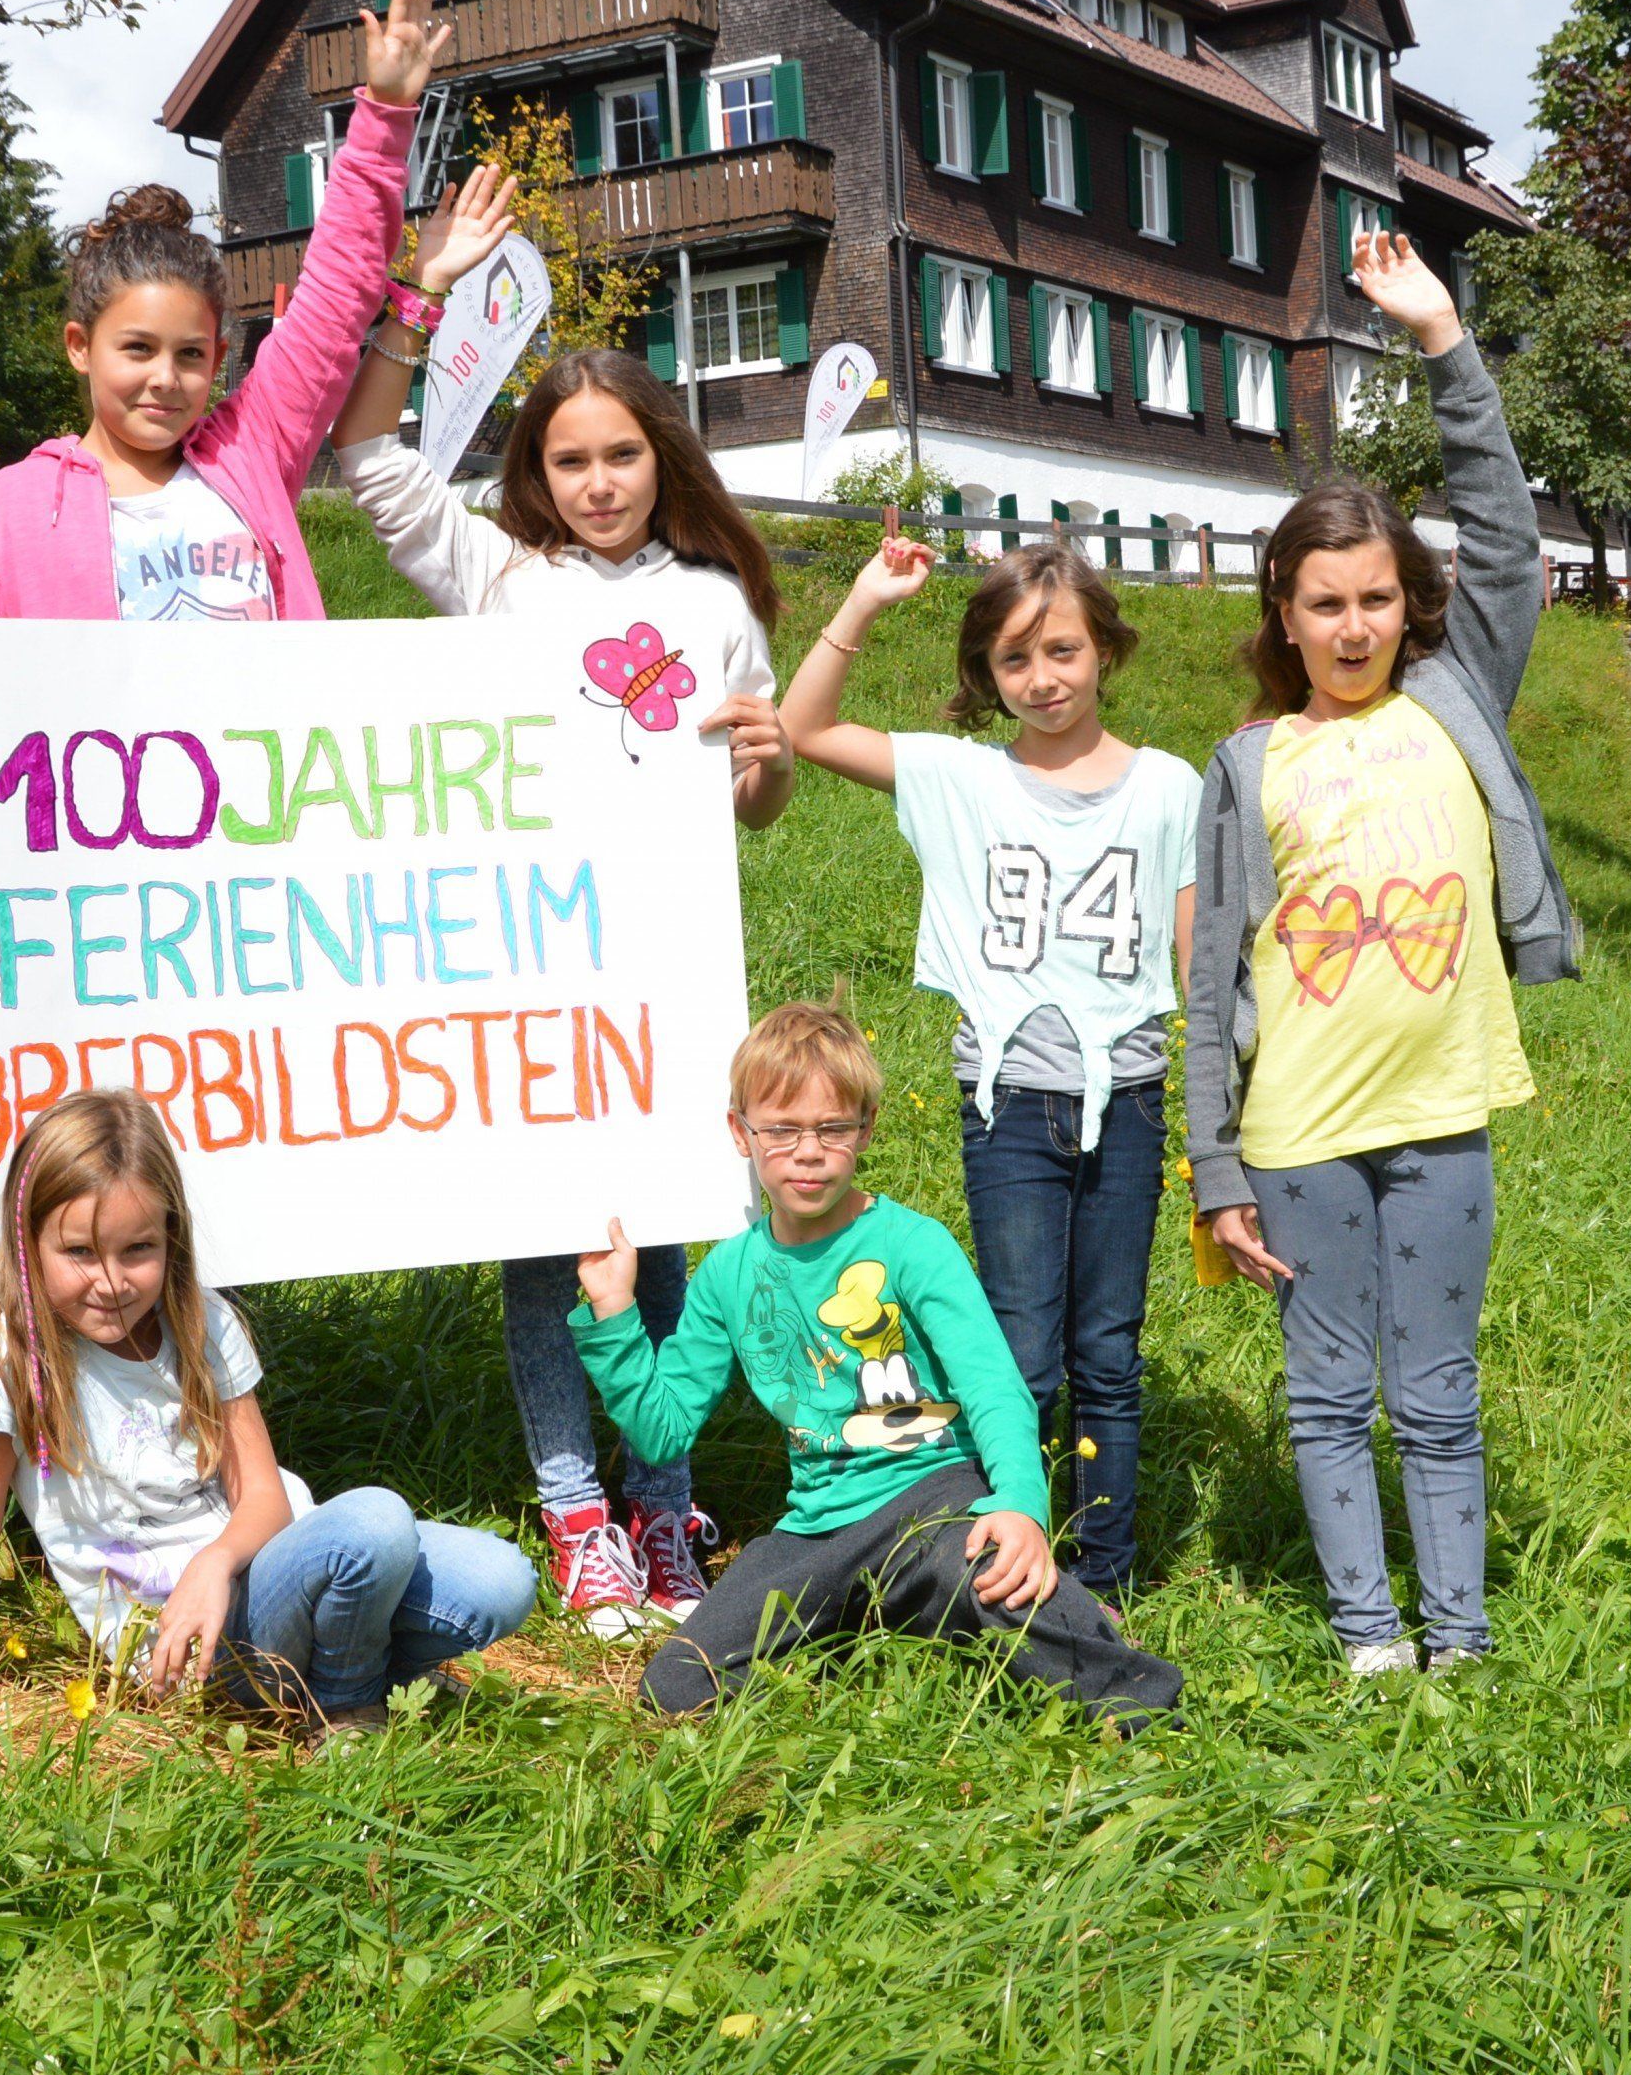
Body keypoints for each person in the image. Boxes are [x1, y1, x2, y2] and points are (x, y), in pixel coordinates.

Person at [329, 339, 794, 1638]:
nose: (597, 482)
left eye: (621, 455)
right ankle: (574, 1509)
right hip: (529, 968)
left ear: (663, 455)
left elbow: (755, 807)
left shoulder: (714, 604)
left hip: (670, 971)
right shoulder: (500, 576)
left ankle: (662, 1498)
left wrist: (767, 758)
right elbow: (368, 454)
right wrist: (419, 311)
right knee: (545, 1251)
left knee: (664, 1250)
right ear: (532, 466)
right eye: (568, 458)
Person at [1181, 230, 1579, 1677]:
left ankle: (1460, 1638)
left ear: (1414, 604)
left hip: (1442, 1114)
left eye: (1375, 598)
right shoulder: (1245, 759)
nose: (1352, 625)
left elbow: (1510, 534)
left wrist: (1442, 341)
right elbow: (1212, 978)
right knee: (1329, 1391)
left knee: (1441, 1394)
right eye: (1323, 602)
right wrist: (1215, 1166)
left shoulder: (1457, 695)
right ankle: (1369, 1634)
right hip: (1298, 1131)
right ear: (1283, 616)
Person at [0, 1091, 536, 1744]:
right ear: (30, 1245)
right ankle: (345, 1704)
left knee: (501, 1579)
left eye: (137, 1249)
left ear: (170, 1237)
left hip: (264, 1569)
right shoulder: (11, 1350)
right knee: (375, 1523)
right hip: (189, 1643)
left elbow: (265, 1497)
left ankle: (341, 1661)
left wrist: (214, 1563)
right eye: (79, 1251)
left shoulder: (202, 1322)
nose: (111, 1281)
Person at [777, 537, 1198, 1602]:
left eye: (1061, 649)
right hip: (1006, 1110)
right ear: (986, 675)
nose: (1042, 677)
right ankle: (1016, 1552)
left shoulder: (1167, 787)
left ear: (1104, 649)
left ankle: (1105, 1573)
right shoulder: (960, 777)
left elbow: (1198, 962)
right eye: (1013, 660)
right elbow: (802, 727)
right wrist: (865, 597)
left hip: (1130, 1102)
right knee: (1021, 1348)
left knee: (1108, 1348)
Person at [565, 1001, 1181, 1726]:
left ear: (867, 1129)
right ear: (740, 1133)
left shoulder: (912, 1243)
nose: (808, 1150)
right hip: (817, 1528)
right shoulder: (728, 1274)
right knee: (677, 1682)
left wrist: (1018, 1503)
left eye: (833, 1128)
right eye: (783, 1129)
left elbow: (994, 1388)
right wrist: (613, 1312)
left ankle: (1137, 1693)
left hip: (934, 1496)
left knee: (999, 1579)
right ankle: (867, 1633)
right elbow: (663, 1429)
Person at [0, 0, 509, 624]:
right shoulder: (9, 508)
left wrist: (384, 118)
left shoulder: (251, 451)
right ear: (79, 346)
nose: (164, 378)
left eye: (190, 355)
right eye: (138, 348)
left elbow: (335, 294)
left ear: (220, 355)